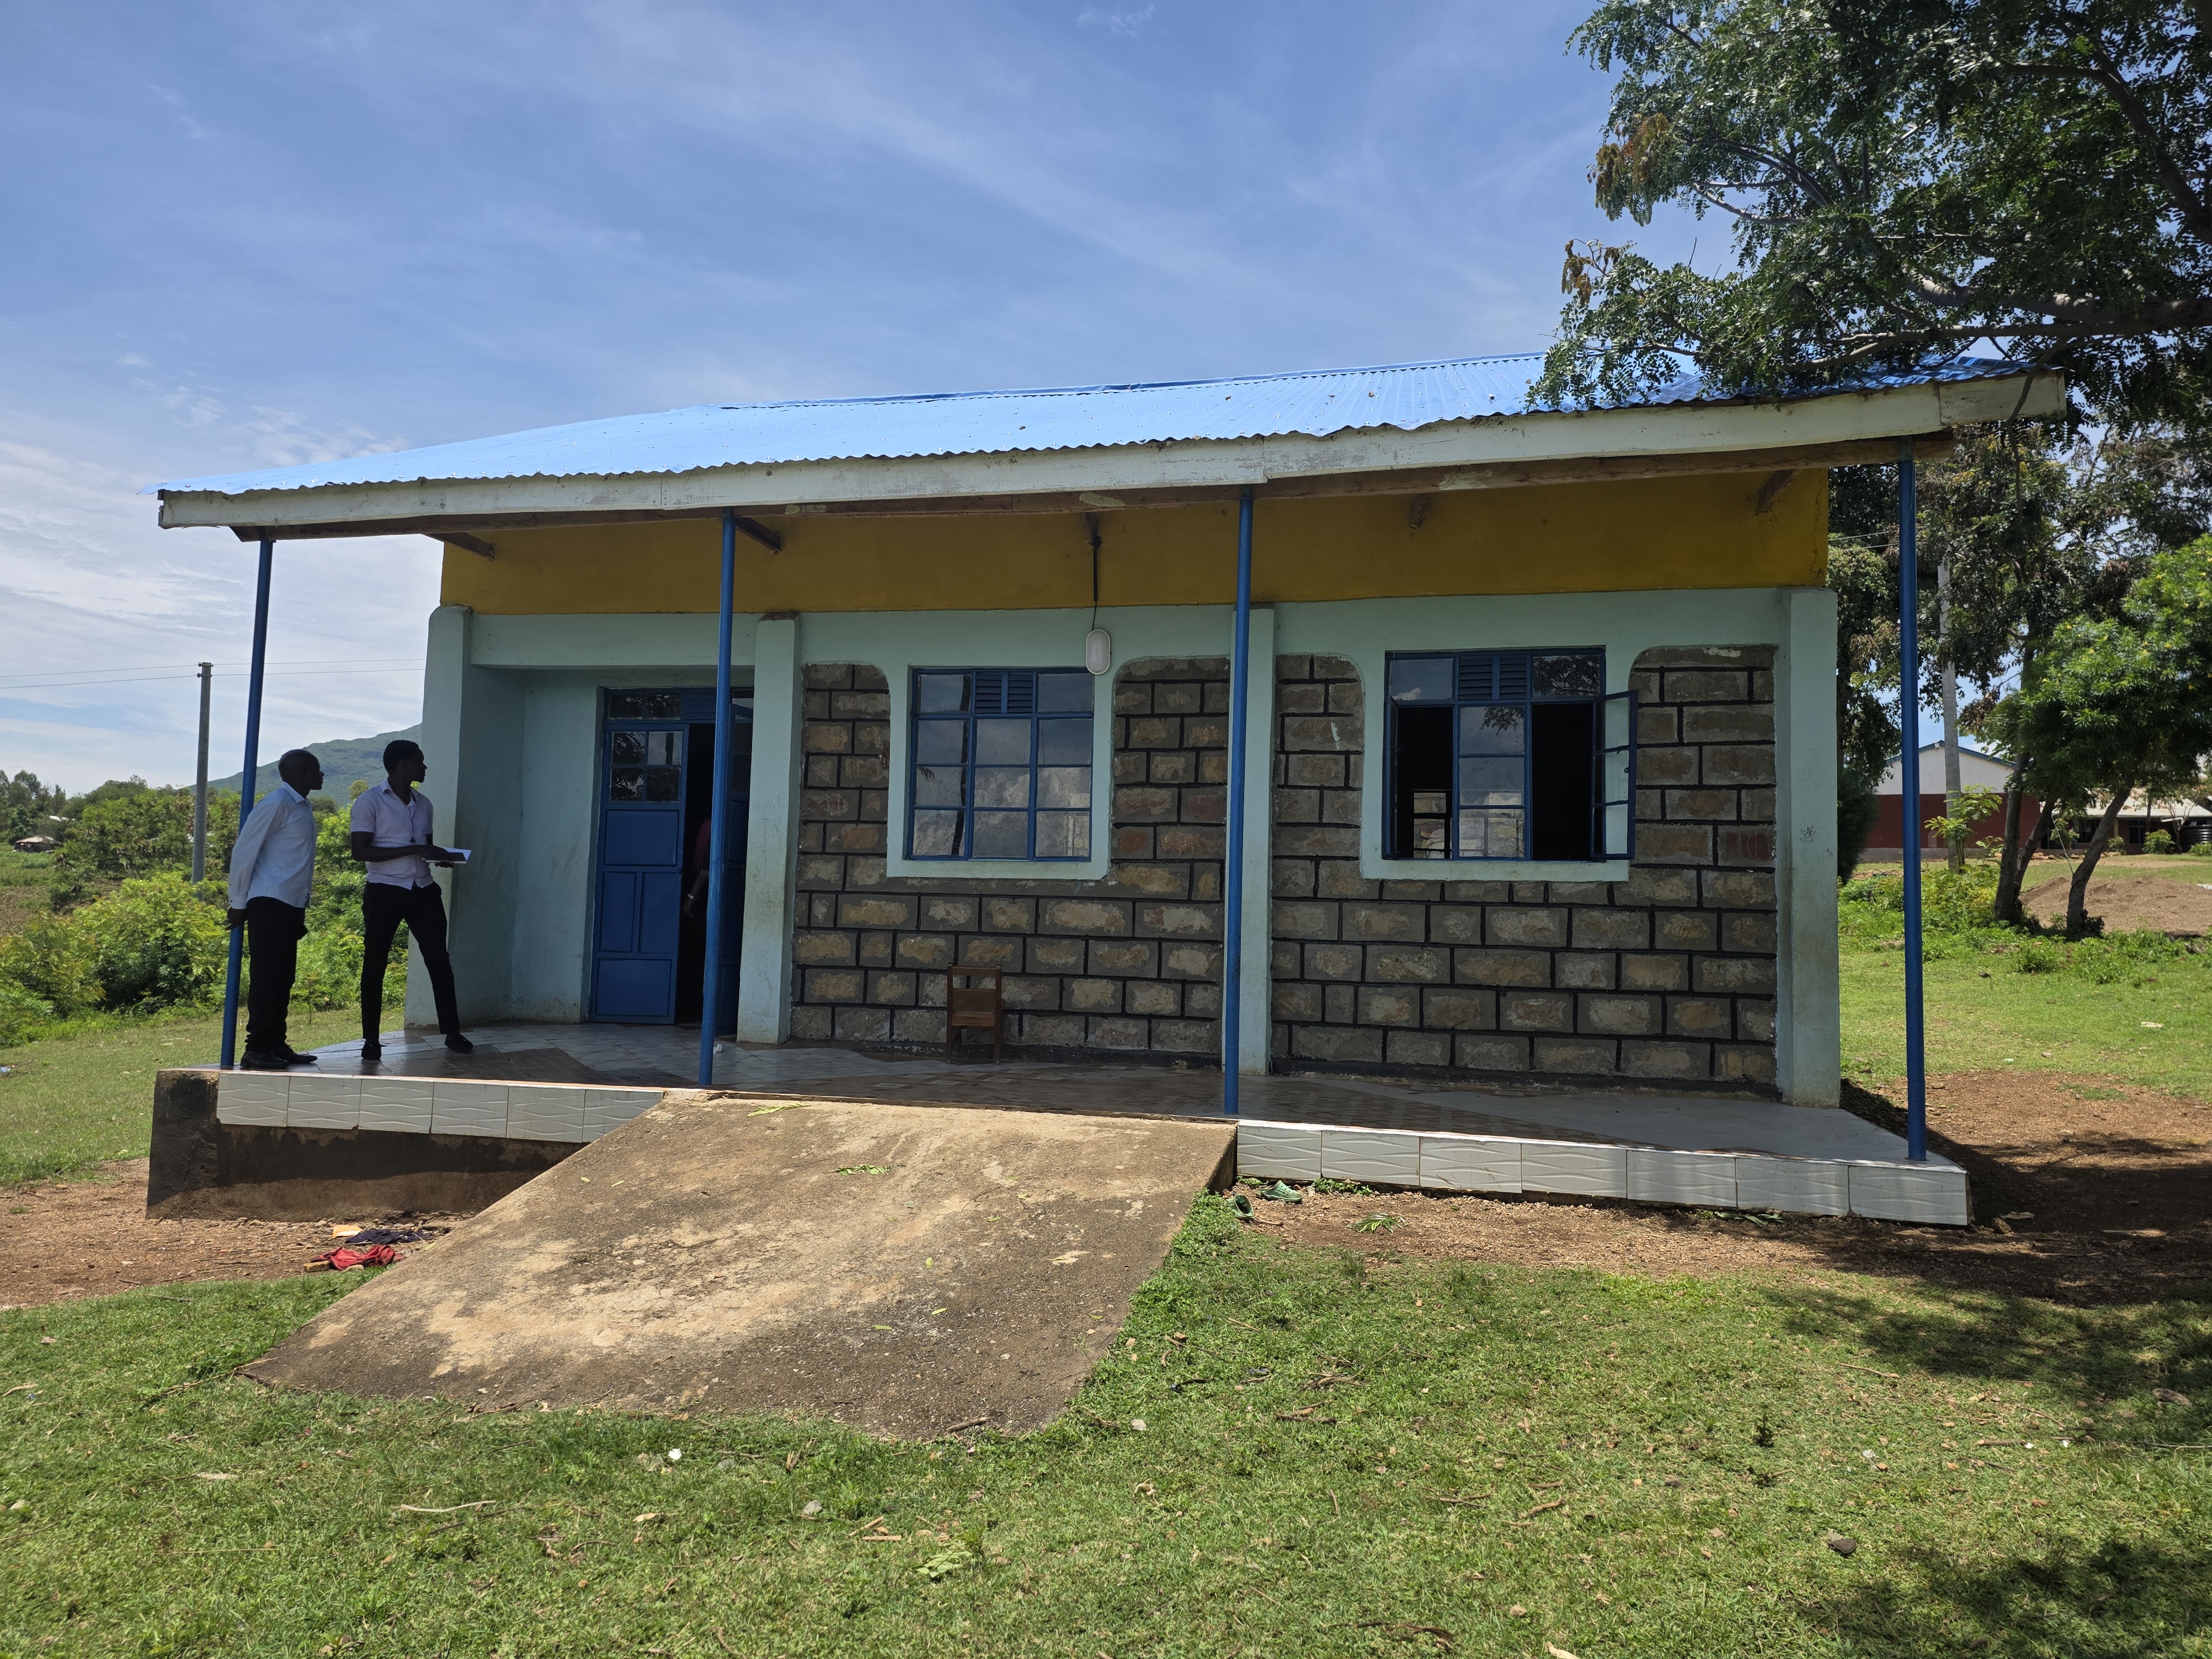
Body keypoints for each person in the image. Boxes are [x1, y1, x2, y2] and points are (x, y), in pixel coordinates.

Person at [351, 738, 472, 1062]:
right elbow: (360, 851)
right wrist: (415, 849)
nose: (425, 767)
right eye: (420, 761)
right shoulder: (370, 801)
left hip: (423, 889)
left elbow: (426, 848)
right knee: (375, 964)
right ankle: (371, 1040)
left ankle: (452, 1032)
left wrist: (439, 857)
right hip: (384, 890)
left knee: (439, 962)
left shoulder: (424, 804)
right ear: (403, 764)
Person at [226, 749, 324, 1071]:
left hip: (289, 903)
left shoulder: (300, 805)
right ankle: (256, 1049)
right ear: (299, 773)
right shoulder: (276, 804)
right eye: (316, 770)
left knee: (283, 977)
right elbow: (245, 852)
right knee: (268, 977)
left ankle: (275, 1043)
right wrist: (238, 902)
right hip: (269, 901)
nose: (322, 775)